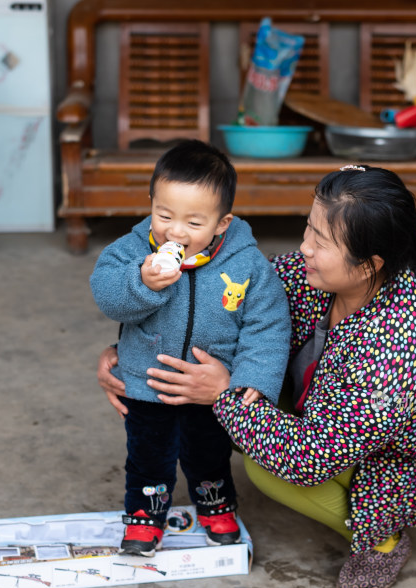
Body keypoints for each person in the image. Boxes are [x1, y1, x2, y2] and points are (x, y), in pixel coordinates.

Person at [97, 164, 416, 588]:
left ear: (369, 265)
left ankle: (382, 539)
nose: (303, 247)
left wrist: (223, 395)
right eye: (308, 229)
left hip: (399, 459)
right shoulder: (311, 277)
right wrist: (130, 354)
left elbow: (310, 457)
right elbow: (215, 308)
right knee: (247, 380)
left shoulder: (398, 342)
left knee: (271, 468)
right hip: (328, 414)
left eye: (320, 241)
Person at [90, 139, 291, 556]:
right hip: (148, 385)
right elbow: (106, 294)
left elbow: (267, 325)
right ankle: (145, 515)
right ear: (151, 203)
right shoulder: (131, 252)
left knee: (209, 454)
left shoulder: (247, 264)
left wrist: (252, 378)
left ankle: (216, 505)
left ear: (222, 223)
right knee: (147, 456)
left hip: (210, 388)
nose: (175, 232)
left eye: (194, 223)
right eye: (164, 215)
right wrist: (140, 283)